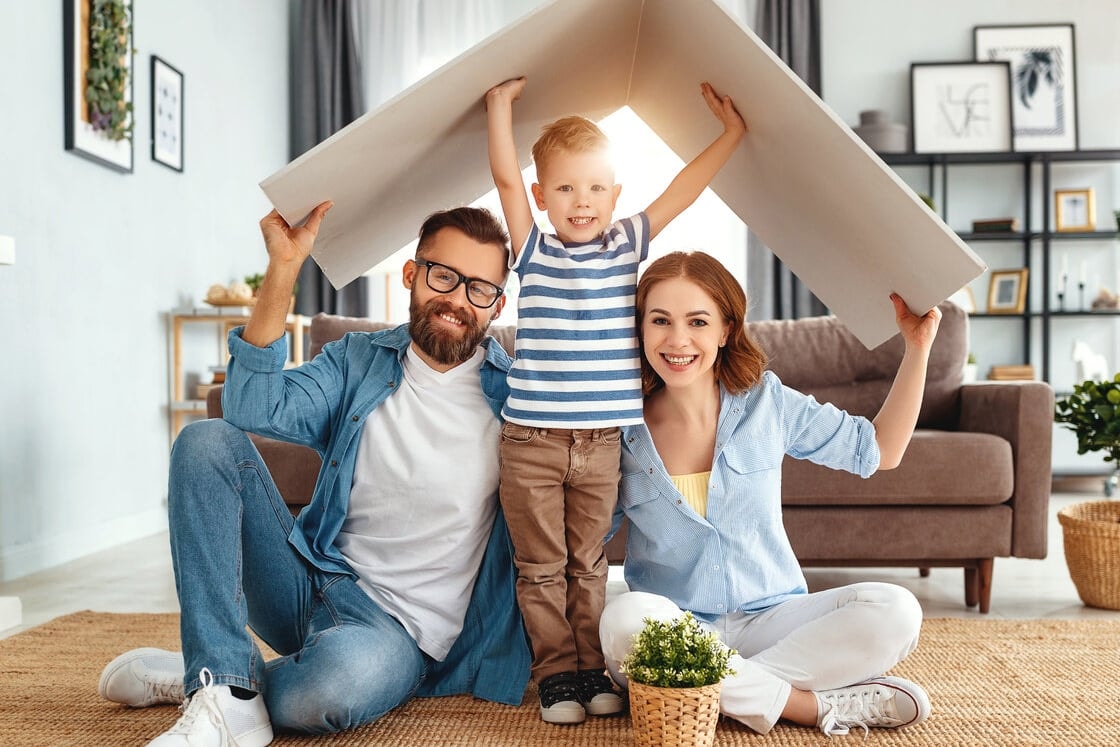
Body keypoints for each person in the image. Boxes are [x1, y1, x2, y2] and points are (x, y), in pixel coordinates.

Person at [97, 203, 531, 746]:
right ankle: (222, 686)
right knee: (204, 442)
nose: (457, 300)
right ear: (412, 275)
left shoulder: (517, 398)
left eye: (479, 288)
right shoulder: (359, 360)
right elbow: (250, 407)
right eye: (443, 276)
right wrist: (284, 266)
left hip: (397, 635)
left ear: (497, 304)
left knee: (330, 692)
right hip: (307, 584)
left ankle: (216, 675)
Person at [483, 76, 747, 724]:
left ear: (616, 195)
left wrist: (730, 135)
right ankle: (555, 677)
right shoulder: (534, 248)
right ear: (544, 196)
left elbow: (681, 192)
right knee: (542, 568)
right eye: (566, 188)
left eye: (597, 187)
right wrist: (499, 110)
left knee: (590, 565)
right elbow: (507, 182)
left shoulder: (626, 243)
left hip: (602, 444)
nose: (582, 201)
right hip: (532, 444)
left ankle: (593, 669)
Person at [599, 251, 942, 738]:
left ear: (725, 330)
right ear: (640, 328)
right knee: (624, 618)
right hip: (678, 629)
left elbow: (879, 450)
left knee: (896, 609)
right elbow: (583, 544)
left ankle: (709, 695)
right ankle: (811, 708)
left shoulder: (766, 401)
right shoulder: (619, 430)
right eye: (660, 321)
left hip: (774, 620)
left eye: (697, 321)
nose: (677, 340)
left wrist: (917, 347)